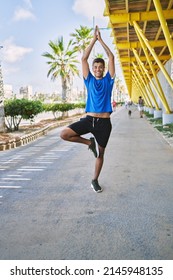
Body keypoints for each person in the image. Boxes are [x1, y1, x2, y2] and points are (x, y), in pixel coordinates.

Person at [60, 25, 115, 193]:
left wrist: (101, 40)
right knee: (64, 134)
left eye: (100, 67)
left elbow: (111, 57)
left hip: (104, 123)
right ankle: (88, 142)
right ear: (92, 69)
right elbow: (84, 59)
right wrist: (93, 40)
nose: (98, 69)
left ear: (104, 69)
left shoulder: (109, 81)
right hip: (89, 120)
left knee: (100, 154)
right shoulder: (88, 80)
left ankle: (95, 180)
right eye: (95, 67)